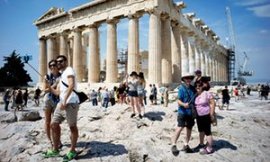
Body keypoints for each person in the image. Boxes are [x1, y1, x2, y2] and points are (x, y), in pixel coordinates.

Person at [43, 55, 80, 161]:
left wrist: (64, 100)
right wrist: (49, 86)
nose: (59, 63)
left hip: (70, 103)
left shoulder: (69, 70)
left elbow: (71, 85)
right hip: (62, 103)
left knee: (72, 127)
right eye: (57, 62)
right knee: (53, 124)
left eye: (61, 61)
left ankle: (72, 151)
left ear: (66, 61)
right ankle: (55, 149)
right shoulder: (63, 74)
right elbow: (57, 92)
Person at [171, 73, 196, 155]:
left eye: (189, 78)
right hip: (182, 112)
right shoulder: (181, 88)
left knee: (189, 128)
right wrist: (184, 104)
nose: (188, 79)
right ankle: (174, 145)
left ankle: (186, 145)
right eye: (186, 78)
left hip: (190, 112)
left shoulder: (193, 89)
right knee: (180, 127)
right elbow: (178, 100)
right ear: (184, 79)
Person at [43, 59, 61, 147]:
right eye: (50, 66)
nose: (52, 67)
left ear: (57, 66)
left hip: (57, 101)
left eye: (54, 65)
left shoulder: (62, 77)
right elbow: (45, 90)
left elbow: (59, 91)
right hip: (48, 100)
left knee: (55, 123)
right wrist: (54, 85)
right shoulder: (46, 76)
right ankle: (49, 141)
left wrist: (51, 87)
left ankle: (58, 140)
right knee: (47, 121)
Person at [194, 82, 215, 154]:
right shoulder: (196, 94)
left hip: (206, 115)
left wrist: (211, 114)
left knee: (207, 132)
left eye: (199, 86)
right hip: (198, 116)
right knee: (201, 131)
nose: (197, 87)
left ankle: (209, 148)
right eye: (196, 86)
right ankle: (201, 144)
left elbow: (212, 103)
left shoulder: (206, 93)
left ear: (202, 86)